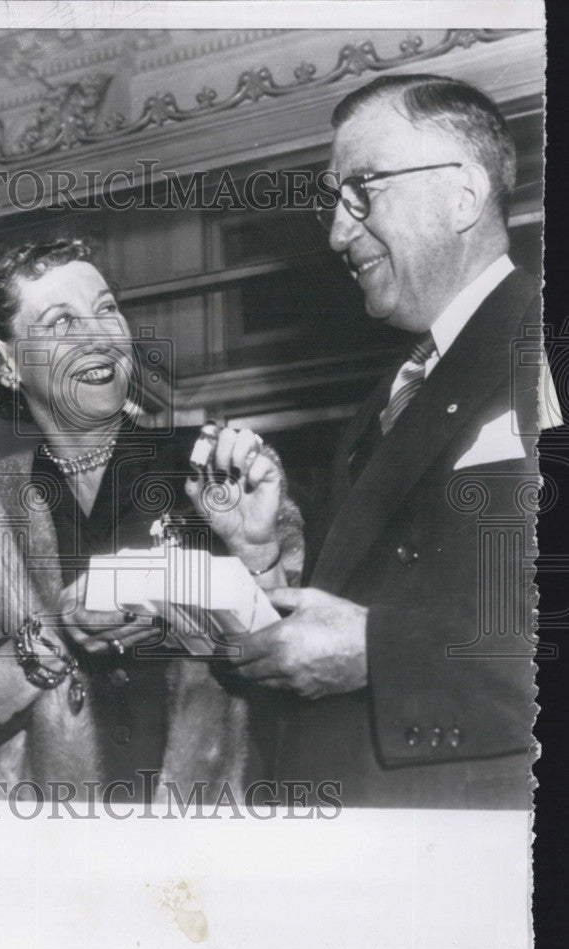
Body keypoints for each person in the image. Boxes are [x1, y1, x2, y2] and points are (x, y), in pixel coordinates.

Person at [226, 74, 543, 808]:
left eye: (363, 189)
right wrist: (263, 559)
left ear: (461, 195)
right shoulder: (389, 398)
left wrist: (378, 653)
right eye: (334, 201)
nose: (338, 232)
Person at [0, 239, 304, 803]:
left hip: (206, 847)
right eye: (61, 320)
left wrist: (259, 555)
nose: (100, 336)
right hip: (43, 853)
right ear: (5, 360)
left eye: (107, 308)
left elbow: (305, 685)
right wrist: (55, 635)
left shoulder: (219, 469)